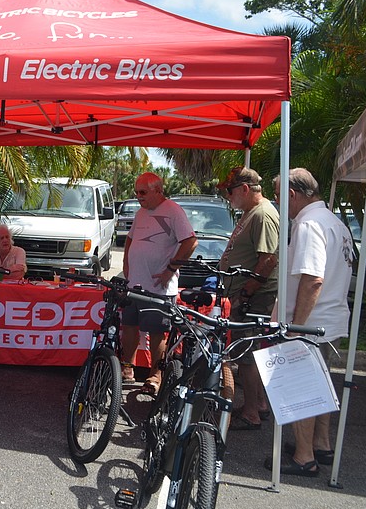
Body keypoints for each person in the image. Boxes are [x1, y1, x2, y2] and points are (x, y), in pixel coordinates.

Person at [264, 167, 354, 477]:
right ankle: (321, 445)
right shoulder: (334, 222)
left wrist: (295, 328)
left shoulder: (309, 224)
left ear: (292, 194)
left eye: (278, 197)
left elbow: (313, 279)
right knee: (321, 385)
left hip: (311, 324)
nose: (277, 203)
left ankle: (304, 457)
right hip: (331, 319)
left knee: (302, 390)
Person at [120, 172, 198, 394]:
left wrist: (170, 269)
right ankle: (128, 368)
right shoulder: (141, 212)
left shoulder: (173, 211)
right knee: (129, 327)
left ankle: (156, 375)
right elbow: (130, 238)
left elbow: (191, 242)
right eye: (136, 192)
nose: (138, 196)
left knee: (156, 333)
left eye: (142, 192)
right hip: (135, 283)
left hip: (158, 289)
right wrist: (126, 261)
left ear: (158, 190)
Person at [216, 166, 280, 431]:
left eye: (230, 191)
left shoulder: (263, 214)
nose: (228, 197)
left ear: (244, 189)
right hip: (246, 293)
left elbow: (268, 259)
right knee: (247, 353)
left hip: (254, 296)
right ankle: (258, 405)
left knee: (246, 355)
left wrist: (246, 292)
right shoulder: (251, 212)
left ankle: (252, 411)